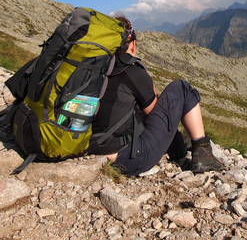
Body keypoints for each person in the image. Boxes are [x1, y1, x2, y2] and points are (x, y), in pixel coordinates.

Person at [88, 16, 223, 176]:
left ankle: (186, 146)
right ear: (132, 44)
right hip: (126, 158)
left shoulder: (93, 70)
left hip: (88, 149)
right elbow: (157, 116)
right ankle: (203, 153)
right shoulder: (132, 72)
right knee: (181, 88)